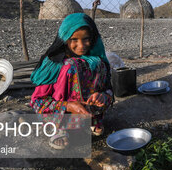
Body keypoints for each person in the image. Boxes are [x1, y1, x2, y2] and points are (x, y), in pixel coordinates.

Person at [29, 13, 114, 149]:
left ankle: (90, 120)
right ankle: (58, 128)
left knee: (98, 64)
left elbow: (109, 90)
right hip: (60, 112)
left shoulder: (98, 61)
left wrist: (102, 96)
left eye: (86, 39)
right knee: (72, 65)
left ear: (93, 38)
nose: (81, 45)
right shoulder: (54, 64)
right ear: (65, 39)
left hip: (87, 112)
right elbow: (36, 102)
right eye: (74, 39)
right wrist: (68, 106)